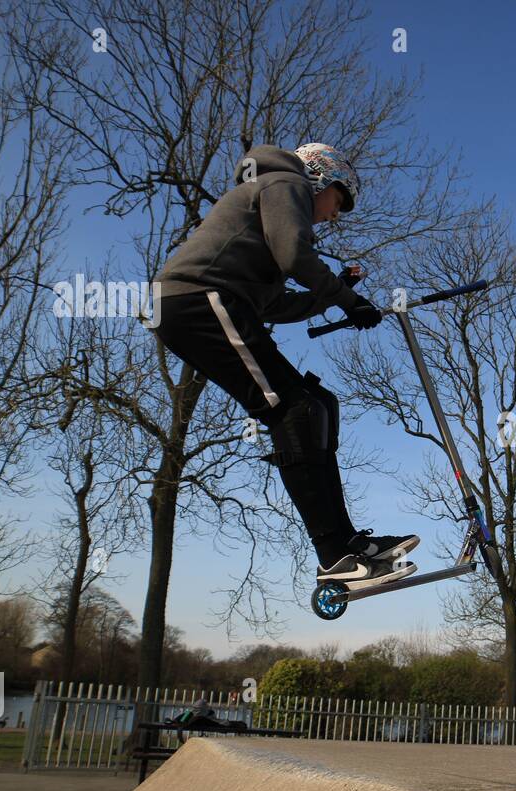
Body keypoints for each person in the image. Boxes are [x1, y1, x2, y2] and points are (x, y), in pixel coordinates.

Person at [149, 143, 418, 593]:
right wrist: (349, 300)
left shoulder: (263, 227)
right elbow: (297, 255)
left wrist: (340, 295)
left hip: (214, 304)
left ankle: (347, 543)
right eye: (339, 201)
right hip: (197, 299)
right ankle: (334, 556)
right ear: (320, 178)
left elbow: (279, 305)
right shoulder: (283, 181)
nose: (334, 216)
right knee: (291, 410)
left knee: (317, 404)